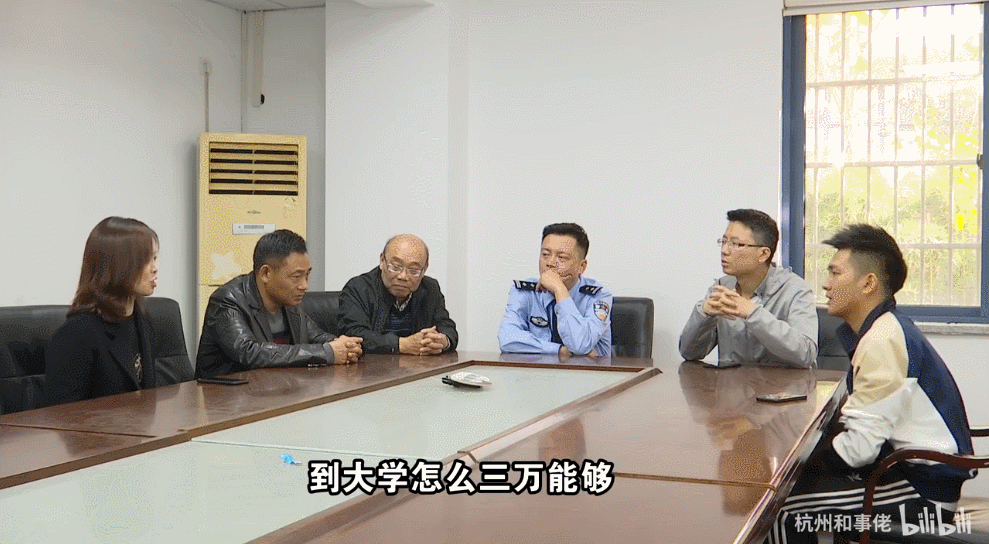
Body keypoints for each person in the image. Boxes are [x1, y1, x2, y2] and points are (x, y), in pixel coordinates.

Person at [765, 224, 974, 544]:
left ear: (868, 283)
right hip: (909, 476)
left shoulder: (882, 338)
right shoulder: (886, 328)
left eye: (835, 273)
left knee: (779, 510)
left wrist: (800, 465)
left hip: (922, 497)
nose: (826, 284)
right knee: (792, 487)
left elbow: (859, 451)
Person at [196, 229, 362, 377]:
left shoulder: (289, 302)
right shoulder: (228, 301)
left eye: (307, 275)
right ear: (266, 274)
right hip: (228, 396)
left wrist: (346, 347)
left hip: (275, 391)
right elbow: (250, 352)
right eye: (296, 277)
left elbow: (315, 337)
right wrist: (327, 352)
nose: (304, 285)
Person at [44, 217, 160, 406]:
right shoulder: (77, 333)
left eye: (154, 258)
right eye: (146, 260)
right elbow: (61, 416)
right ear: (118, 265)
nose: (155, 268)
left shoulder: (143, 320)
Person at [679, 209, 817, 367]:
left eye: (735, 244)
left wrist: (752, 313)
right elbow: (689, 353)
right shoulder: (722, 287)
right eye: (724, 242)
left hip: (782, 383)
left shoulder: (794, 289)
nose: (724, 250)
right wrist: (703, 314)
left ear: (763, 254)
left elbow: (806, 353)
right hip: (731, 382)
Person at [499, 223, 612, 357]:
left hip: (589, 370)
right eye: (545, 254)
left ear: (582, 266)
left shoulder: (598, 295)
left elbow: (580, 345)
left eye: (561, 257)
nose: (550, 263)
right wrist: (559, 350)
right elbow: (507, 339)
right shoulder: (525, 291)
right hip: (538, 370)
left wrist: (560, 290)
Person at [339, 234, 458, 355]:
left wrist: (443, 341)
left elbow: (447, 326)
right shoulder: (358, 288)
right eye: (395, 267)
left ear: (424, 269)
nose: (403, 276)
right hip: (372, 365)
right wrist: (401, 344)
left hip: (418, 365)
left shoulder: (430, 288)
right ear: (382, 261)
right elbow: (354, 334)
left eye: (413, 270)